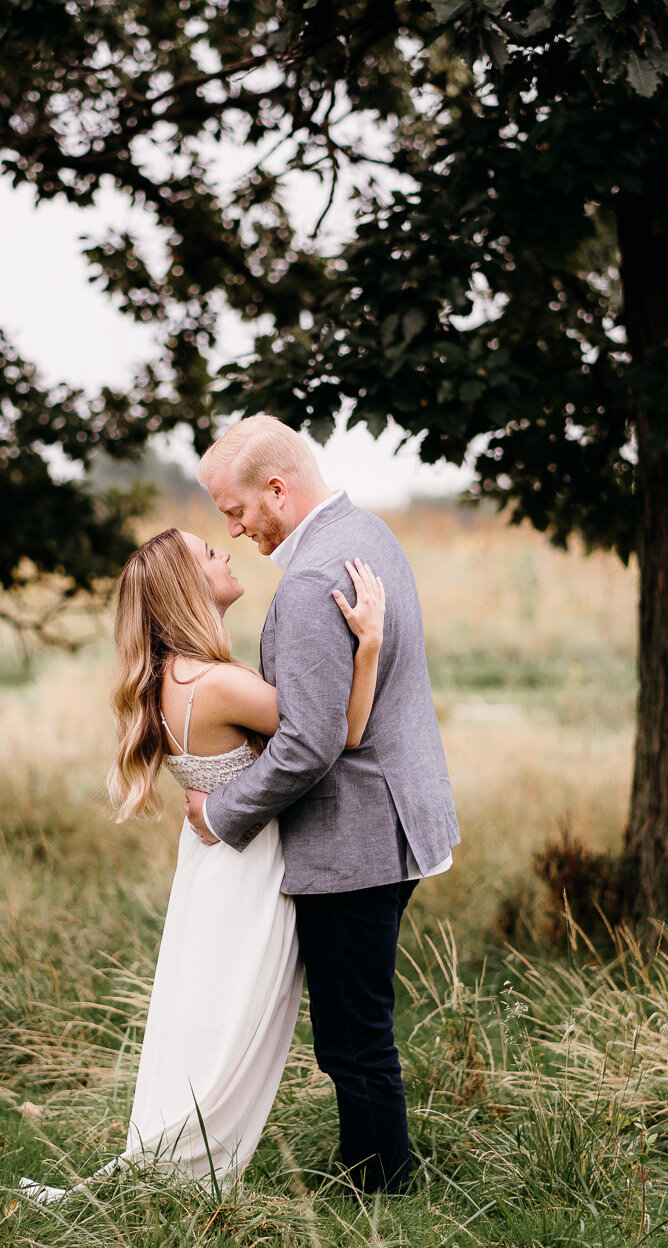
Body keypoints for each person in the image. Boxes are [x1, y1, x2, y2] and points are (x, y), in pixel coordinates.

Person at [18, 524, 386, 1201]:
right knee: (233, 1027)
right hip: (246, 870)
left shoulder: (171, 678)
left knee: (207, 1017)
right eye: (206, 553)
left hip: (213, 867)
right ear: (187, 587)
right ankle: (179, 1169)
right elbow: (338, 735)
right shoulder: (215, 683)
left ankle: (170, 1163)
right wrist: (368, 645)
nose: (223, 551)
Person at [186, 414, 460, 1196]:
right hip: (400, 818)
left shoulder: (310, 583)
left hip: (355, 839)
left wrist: (222, 812)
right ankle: (379, 1178)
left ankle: (382, 1194)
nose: (231, 529)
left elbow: (308, 744)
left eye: (235, 510)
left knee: (353, 1038)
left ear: (277, 487)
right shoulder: (367, 531)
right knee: (360, 1023)